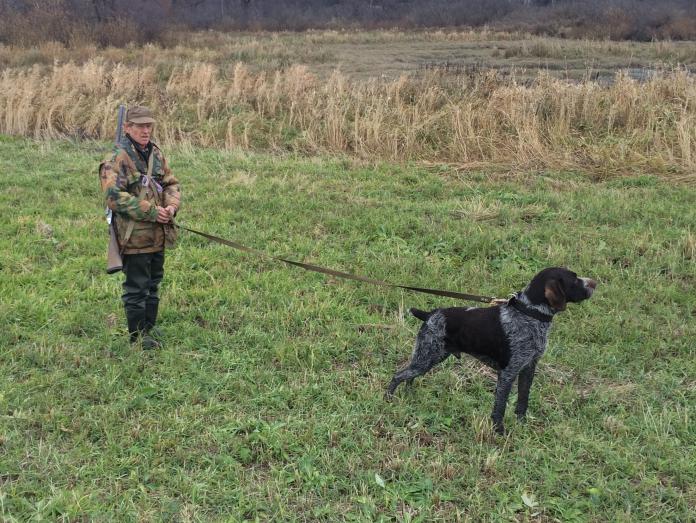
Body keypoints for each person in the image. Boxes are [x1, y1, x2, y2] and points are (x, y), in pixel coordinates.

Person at [99, 106, 181, 349]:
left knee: (153, 283)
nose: (145, 130)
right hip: (133, 236)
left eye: (148, 126)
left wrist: (171, 206)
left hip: (159, 233)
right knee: (137, 288)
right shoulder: (116, 159)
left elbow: (171, 183)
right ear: (127, 128)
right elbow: (114, 197)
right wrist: (152, 211)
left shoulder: (155, 153)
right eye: (140, 126)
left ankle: (148, 329)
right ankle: (137, 337)